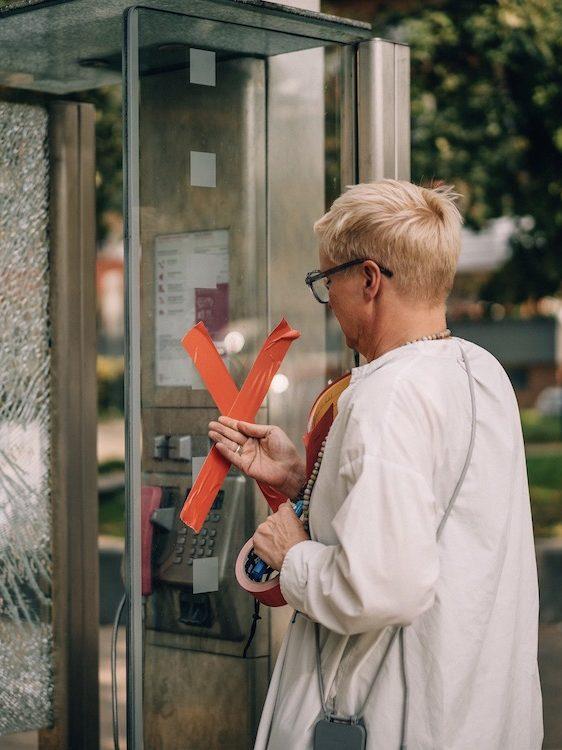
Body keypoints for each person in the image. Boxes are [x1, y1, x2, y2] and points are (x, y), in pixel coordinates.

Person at [208, 180, 543, 749]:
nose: (328, 299)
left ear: (367, 279)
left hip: (395, 721)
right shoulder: (481, 372)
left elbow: (380, 587)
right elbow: (436, 521)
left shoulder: (387, 395)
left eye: (325, 281)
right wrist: (297, 481)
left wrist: (291, 556)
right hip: (479, 715)